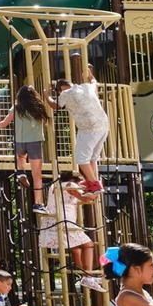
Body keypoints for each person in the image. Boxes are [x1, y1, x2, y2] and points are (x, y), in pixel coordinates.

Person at [53, 57, 109, 199]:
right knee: (92, 158)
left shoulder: (65, 94)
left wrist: (47, 96)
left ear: (60, 90)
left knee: (81, 159)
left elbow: (55, 106)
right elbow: (94, 82)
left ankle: (95, 184)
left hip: (89, 128)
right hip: (103, 125)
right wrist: (90, 73)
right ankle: (92, 182)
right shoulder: (85, 87)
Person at [0, 85, 52, 202]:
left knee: (21, 158)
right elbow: (46, 120)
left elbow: (4, 123)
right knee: (37, 175)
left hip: (20, 141)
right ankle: (38, 202)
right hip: (35, 141)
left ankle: (21, 173)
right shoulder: (38, 107)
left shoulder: (17, 108)